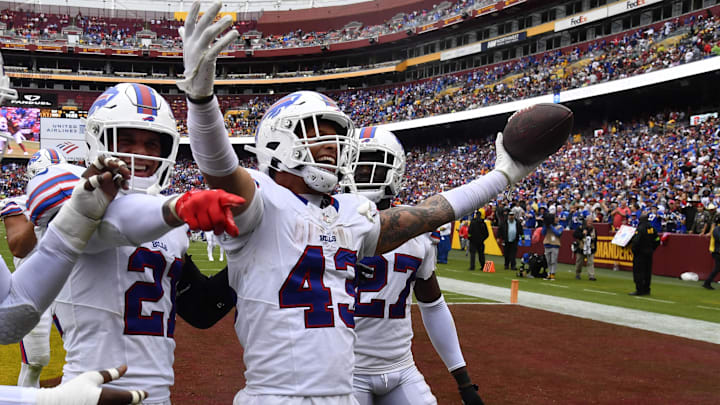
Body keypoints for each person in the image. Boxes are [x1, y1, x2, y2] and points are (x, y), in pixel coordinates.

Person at [177, 3, 541, 403]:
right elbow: (219, 166)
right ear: (280, 142)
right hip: (277, 396)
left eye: (337, 135)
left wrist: (501, 176)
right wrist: (201, 100)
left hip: (342, 395)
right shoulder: (261, 202)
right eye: (317, 134)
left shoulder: (349, 215)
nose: (333, 146)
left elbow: (430, 212)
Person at [29, 83, 243, 405]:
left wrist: (249, 257)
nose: (140, 153)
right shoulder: (74, 198)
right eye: (125, 140)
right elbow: (106, 217)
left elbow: (201, 310)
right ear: (98, 140)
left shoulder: (171, 227)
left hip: (157, 395)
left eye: (151, 143)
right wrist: (174, 209)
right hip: (89, 391)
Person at [342, 127, 484, 405]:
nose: (363, 172)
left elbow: (433, 306)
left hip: (401, 367)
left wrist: (464, 381)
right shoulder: (328, 222)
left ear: (395, 172)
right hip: (345, 370)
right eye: (357, 164)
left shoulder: (416, 235)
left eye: (373, 164)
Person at [629, 214, 660, 296]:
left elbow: (636, 241)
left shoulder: (640, 229)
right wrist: (652, 248)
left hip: (640, 254)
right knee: (647, 272)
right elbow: (657, 239)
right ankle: (647, 289)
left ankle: (639, 289)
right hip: (649, 253)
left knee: (638, 272)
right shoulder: (652, 228)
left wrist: (634, 250)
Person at [573, 216, 597, 281]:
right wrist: (582, 234)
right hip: (581, 248)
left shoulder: (593, 230)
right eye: (589, 221)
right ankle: (578, 273)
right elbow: (575, 235)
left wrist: (594, 248)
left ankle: (591, 275)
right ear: (586, 222)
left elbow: (595, 240)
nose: (590, 223)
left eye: (591, 221)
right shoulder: (580, 228)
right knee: (579, 262)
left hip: (590, 248)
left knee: (590, 262)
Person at [542, 213, 563, 280]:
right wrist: (546, 225)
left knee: (553, 260)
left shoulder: (560, 226)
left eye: (557, 218)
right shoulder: (546, 226)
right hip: (547, 244)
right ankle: (549, 273)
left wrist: (551, 226)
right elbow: (543, 233)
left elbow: (558, 233)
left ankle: (553, 273)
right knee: (548, 260)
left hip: (555, 244)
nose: (555, 219)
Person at [702, 214, 720, 289]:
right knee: (717, 268)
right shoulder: (716, 229)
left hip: (717, 250)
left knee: (717, 268)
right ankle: (707, 282)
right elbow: (718, 238)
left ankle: (707, 282)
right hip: (717, 251)